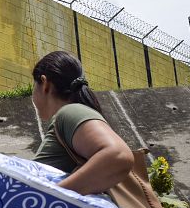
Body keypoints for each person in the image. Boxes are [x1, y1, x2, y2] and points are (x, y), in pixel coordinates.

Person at [31, 51, 133, 195]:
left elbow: (119, 155)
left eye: (33, 87)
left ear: (45, 83)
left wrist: (53, 198)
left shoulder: (70, 112)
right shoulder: (70, 118)